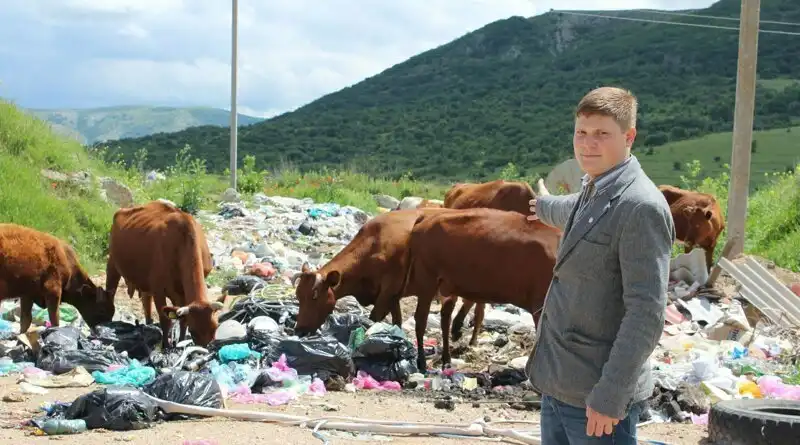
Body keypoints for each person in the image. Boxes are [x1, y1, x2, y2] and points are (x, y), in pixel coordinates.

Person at [525, 86, 675, 444]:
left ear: (629, 137)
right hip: (559, 383)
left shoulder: (641, 207)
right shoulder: (597, 187)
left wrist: (610, 395)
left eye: (602, 134)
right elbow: (574, 209)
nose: (588, 144)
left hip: (597, 397)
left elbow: (646, 313)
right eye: (581, 132)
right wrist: (542, 207)